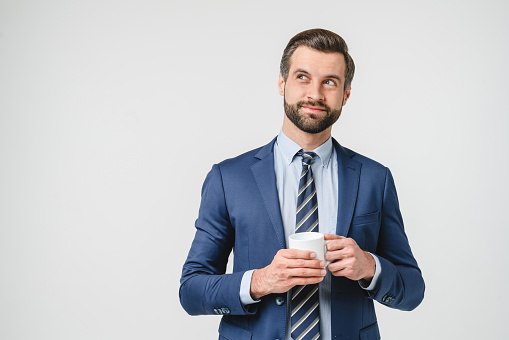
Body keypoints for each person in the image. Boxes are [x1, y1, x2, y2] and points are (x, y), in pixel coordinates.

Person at [179, 28, 424, 340]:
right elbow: (191, 291)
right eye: (303, 77)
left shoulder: (375, 178)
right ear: (282, 83)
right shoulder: (228, 178)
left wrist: (369, 267)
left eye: (330, 82)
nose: (316, 94)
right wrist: (261, 281)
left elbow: (412, 290)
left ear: (346, 94)